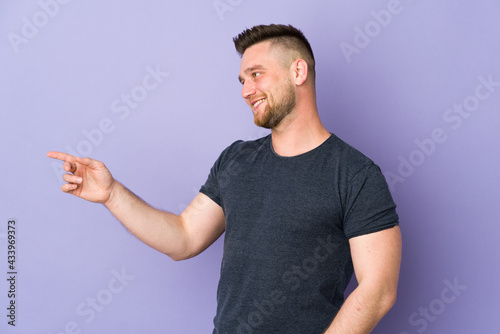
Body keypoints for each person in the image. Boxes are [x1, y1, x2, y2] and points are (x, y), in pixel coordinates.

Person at [48, 24, 402, 334]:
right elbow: (184, 238)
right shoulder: (237, 160)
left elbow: (378, 290)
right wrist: (112, 194)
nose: (246, 90)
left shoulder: (355, 174)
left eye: (257, 74)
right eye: (242, 80)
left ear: (298, 71)